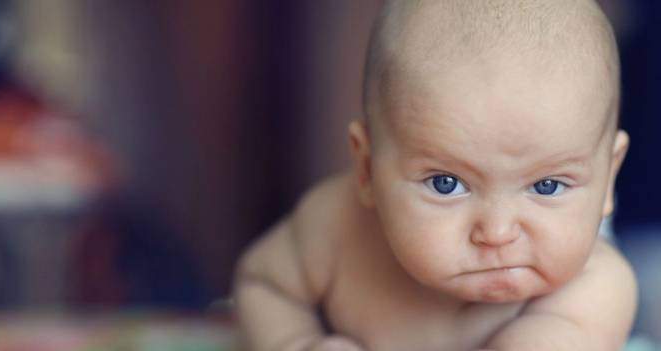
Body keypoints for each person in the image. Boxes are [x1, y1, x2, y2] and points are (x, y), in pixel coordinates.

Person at [233, 0, 637, 350]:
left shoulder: (594, 287)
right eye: (447, 183)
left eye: (546, 186)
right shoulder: (336, 229)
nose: (496, 233)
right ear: (367, 168)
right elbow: (262, 284)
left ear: (608, 175)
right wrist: (297, 343)